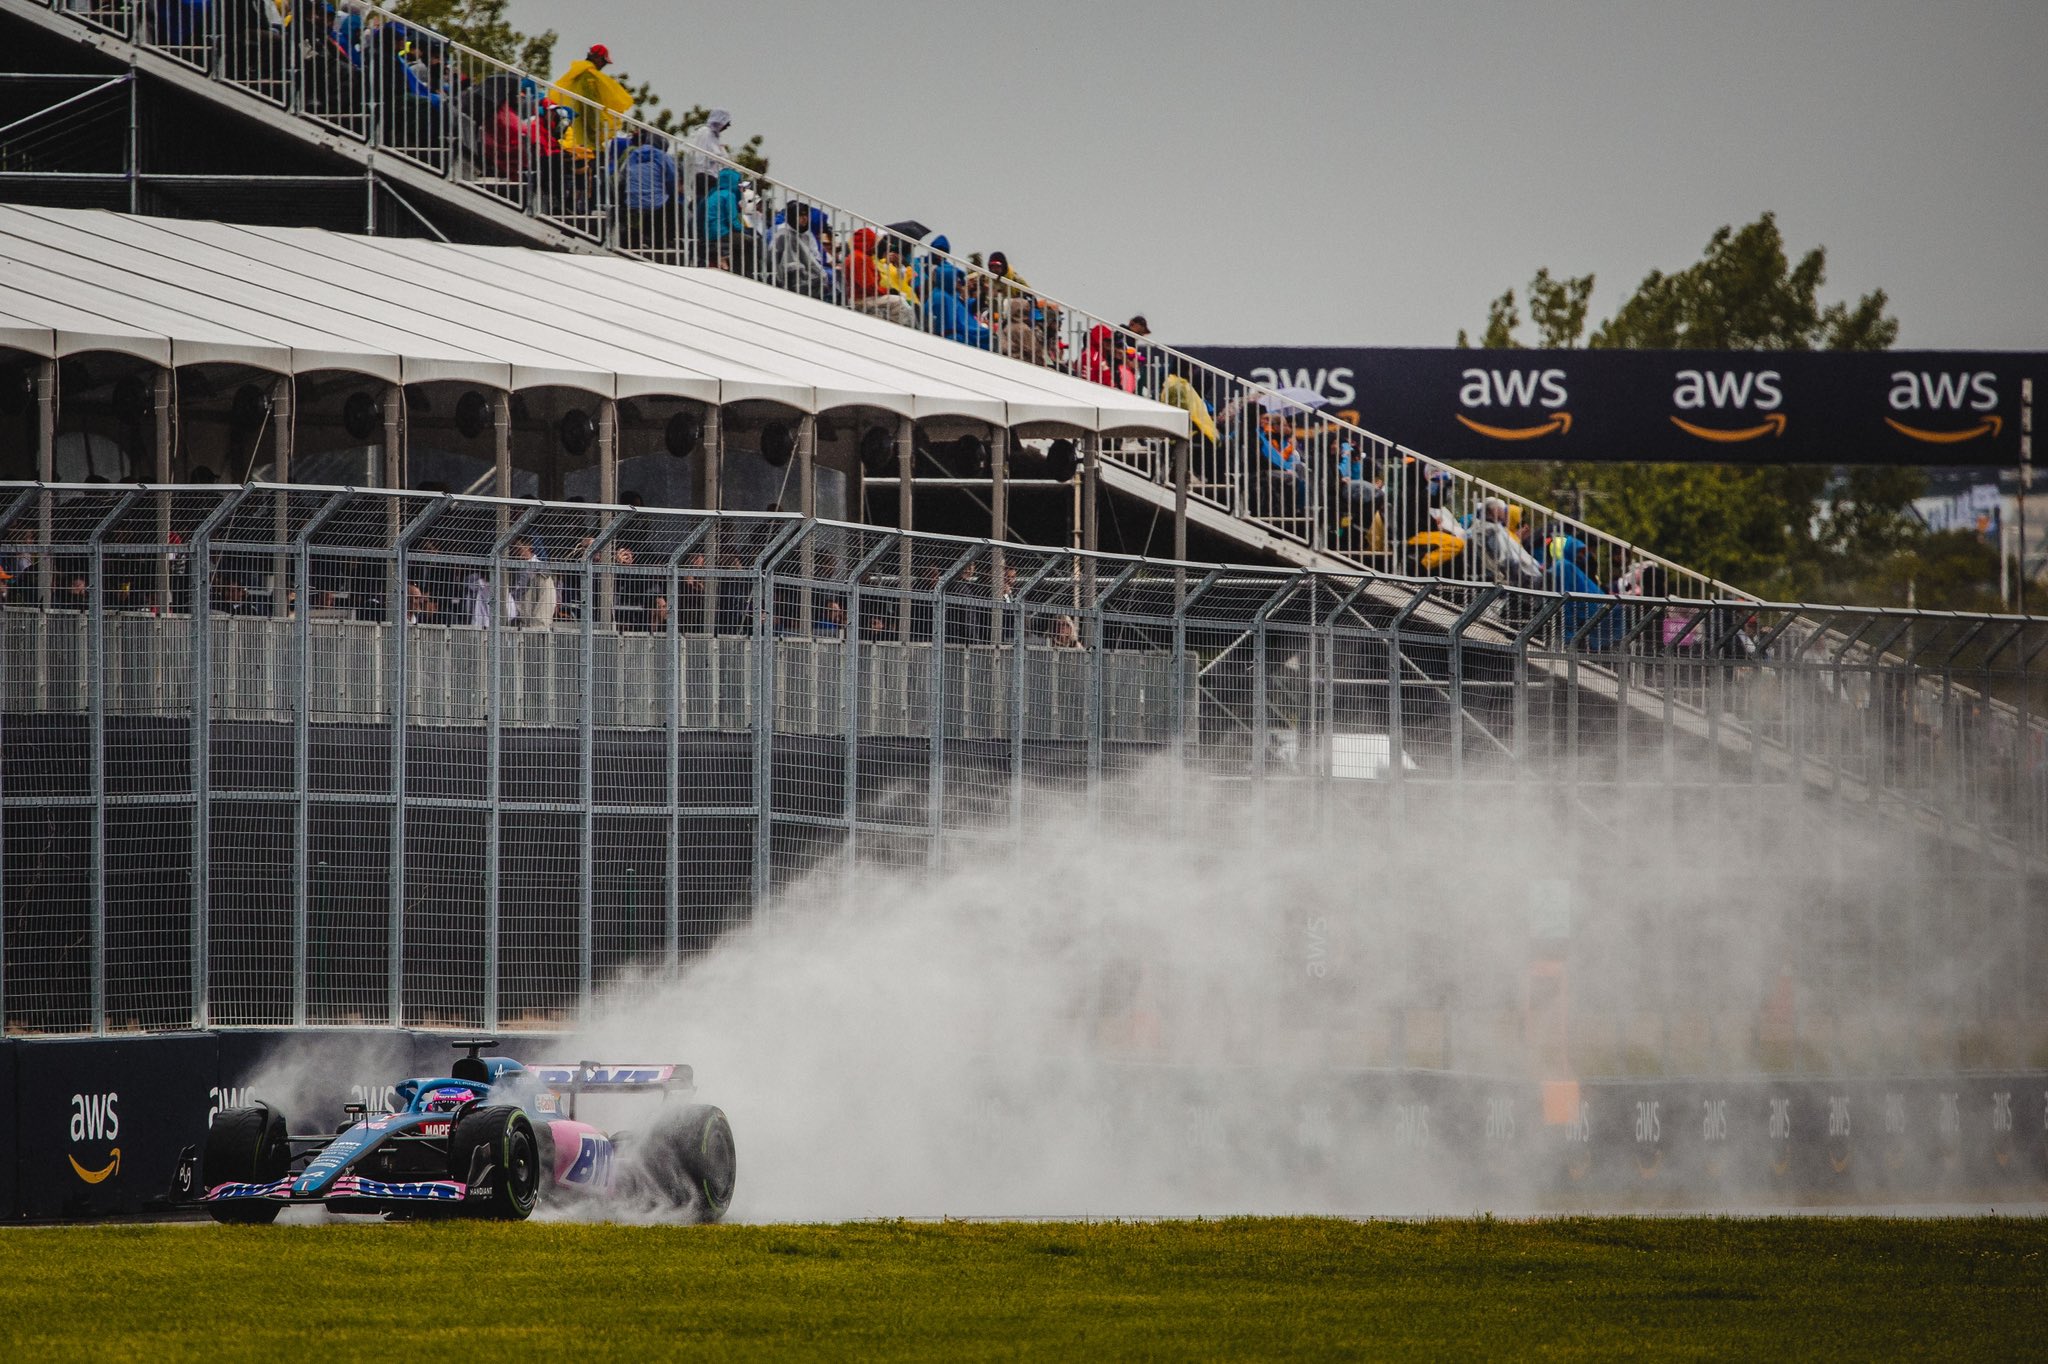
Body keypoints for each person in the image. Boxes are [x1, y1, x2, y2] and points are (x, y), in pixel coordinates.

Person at [551, 44, 634, 160]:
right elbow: (589, 105)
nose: (603, 65)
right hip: (584, 130)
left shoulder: (579, 71)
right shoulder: (587, 74)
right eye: (603, 61)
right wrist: (596, 128)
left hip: (577, 126)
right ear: (597, 58)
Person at [614, 127, 679, 255]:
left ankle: (633, 241)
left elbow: (622, 177)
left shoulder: (634, 154)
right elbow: (672, 179)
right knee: (674, 208)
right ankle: (663, 242)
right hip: (655, 204)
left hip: (631, 201)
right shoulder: (663, 157)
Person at [846, 228, 915, 326]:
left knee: (898, 301)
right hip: (862, 299)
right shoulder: (860, 258)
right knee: (900, 303)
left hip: (862, 297)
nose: (875, 246)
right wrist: (887, 291)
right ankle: (898, 328)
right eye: (873, 242)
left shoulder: (859, 257)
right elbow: (869, 286)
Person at [924, 256, 992, 347]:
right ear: (948, 279)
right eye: (957, 278)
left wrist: (983, 293)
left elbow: (970, 306)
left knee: (988, 334)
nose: (960, 281)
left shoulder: (952, 296)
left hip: (963, 332)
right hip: (954, 337)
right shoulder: (940, 296)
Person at [768, 200, 829, 297]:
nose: (804, 218)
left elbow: (816, 257)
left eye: (806, 215)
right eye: (800, 215)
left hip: (806, 272)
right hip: (784, 273)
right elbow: (772, 255)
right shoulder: (779, 231)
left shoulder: (807, 235)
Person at [703, 167, 753, 274]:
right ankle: (746, 272)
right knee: (750, 241)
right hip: (722, 233)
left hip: (711, 234)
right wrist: (743, 229)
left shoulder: (713, 194)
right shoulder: (729, 195)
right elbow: (732, 220)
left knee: (740, 241)